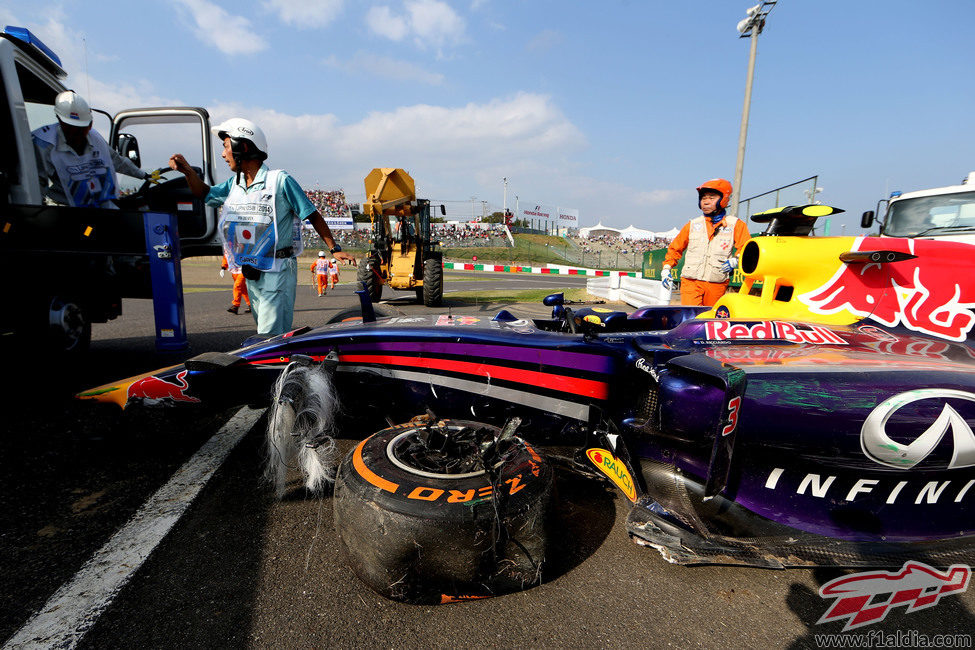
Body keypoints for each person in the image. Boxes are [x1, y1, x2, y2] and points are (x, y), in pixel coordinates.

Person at [169, 117, 355, 336]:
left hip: (277, 268)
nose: (223, 154)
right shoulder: (234, 184)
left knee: (269, 335)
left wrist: (335, 248)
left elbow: (311, 214)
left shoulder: (280, 180)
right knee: (269, 334)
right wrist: (188, 172)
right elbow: (205, 194)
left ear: (243, 147)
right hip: (252, 270)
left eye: (226, 147)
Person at [32, 90, 156, 208]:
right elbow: (36, 184)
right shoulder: (44, 144)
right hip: (62, 209)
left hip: (98, 206)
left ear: (90, 124)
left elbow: (117, 161)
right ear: (59, 121)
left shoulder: (97, 140)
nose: (75, 134)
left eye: (80, 129)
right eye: (70, 129)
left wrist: (144, 175)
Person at [662, 178, 751, 306]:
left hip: (717, 282)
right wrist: (666, 268)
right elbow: (675, 248)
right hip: (690, 281)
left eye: (711, 198)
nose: (706, 202)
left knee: (710, 318)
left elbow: (745, 247)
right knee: (691, 317)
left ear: (724, 199)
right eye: (703, 198)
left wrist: (736, 260)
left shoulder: (736, 225)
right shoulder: (692, 225)